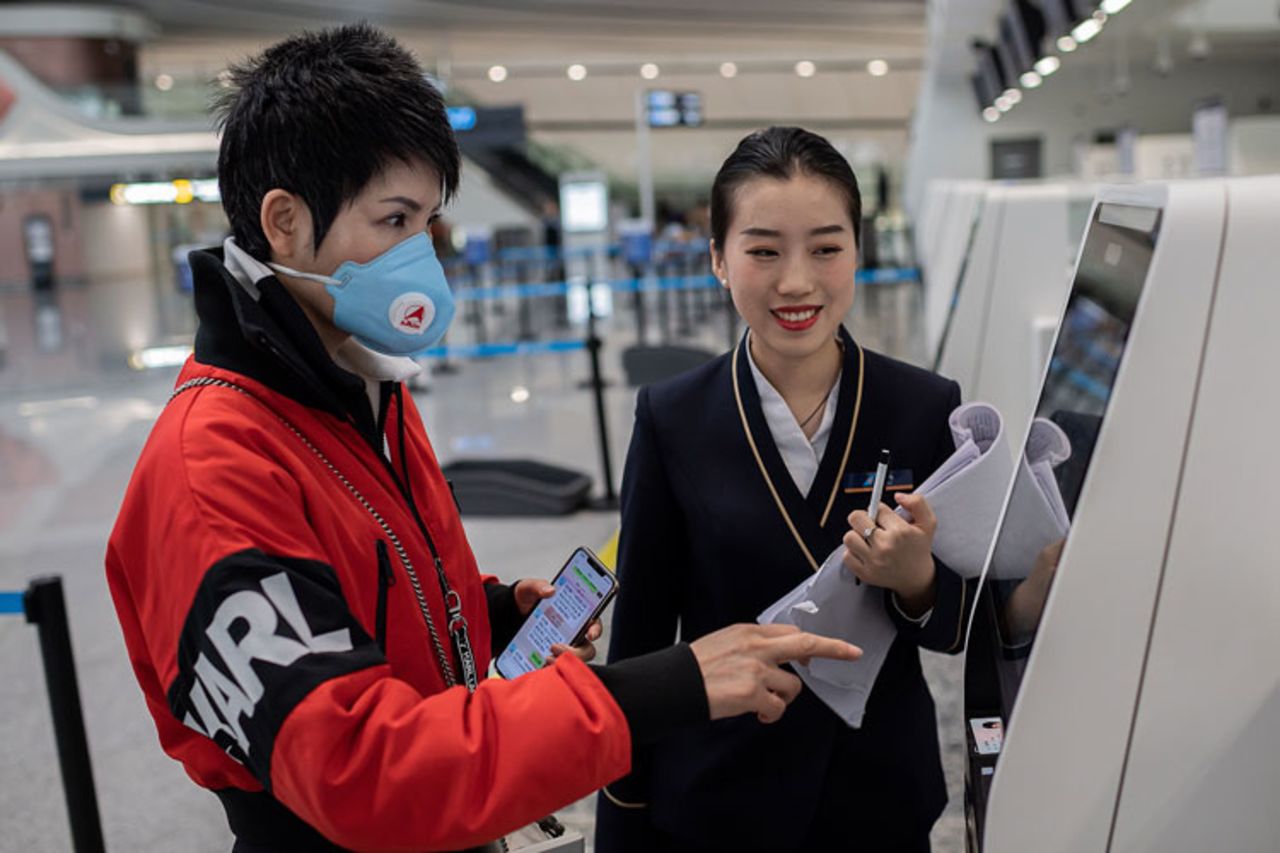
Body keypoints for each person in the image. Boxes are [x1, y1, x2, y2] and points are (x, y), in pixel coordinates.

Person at [104, 31, 860, 853]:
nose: (422, 257)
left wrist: (491, 616)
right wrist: (656, 690)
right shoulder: (212, 469)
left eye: (428, 222)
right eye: (393, 220)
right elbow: (360, 767)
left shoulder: (358, 388)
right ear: (284, 221)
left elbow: (362, 598)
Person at [596, 127, 970, 852]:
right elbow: (639, 642)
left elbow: (962, 626)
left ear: (858, 252)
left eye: (826, 248)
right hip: (718, 795)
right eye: (763, 250)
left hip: (877, 793)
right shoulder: (674, 416)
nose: (796, 281)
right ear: (717, 259)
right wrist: (624, 825)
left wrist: (918, 579)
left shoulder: (922, 406)